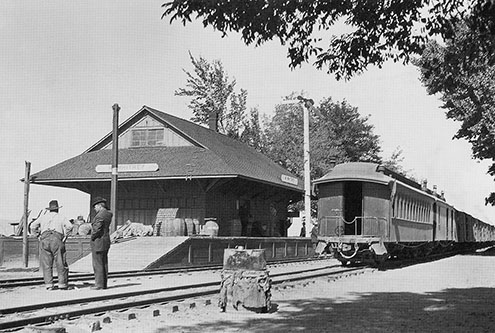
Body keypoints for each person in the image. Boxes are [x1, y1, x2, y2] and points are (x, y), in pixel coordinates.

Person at [31, 200, 73, 290]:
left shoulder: (43, 217)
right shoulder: (61, 217)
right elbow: (70, 226)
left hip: (44, 239)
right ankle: (62, 284)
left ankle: (49, 285)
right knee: (61, 262)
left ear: (49, 209)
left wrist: (37, 235)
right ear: (57, 209)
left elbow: (32, 226)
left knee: (46, 264)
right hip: (57, 239)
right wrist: (65, 236)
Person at [90, 197, 112, 290]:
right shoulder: (108, 214)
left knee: (98, 263)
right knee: (104, 263)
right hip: (106, 241)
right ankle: (104, 284)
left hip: (98, 242)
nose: (95, 209)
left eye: (95, 207)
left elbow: (97, 229)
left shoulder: (100, 216)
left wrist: (92, 237)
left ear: (99, 206)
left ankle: (99, 284)